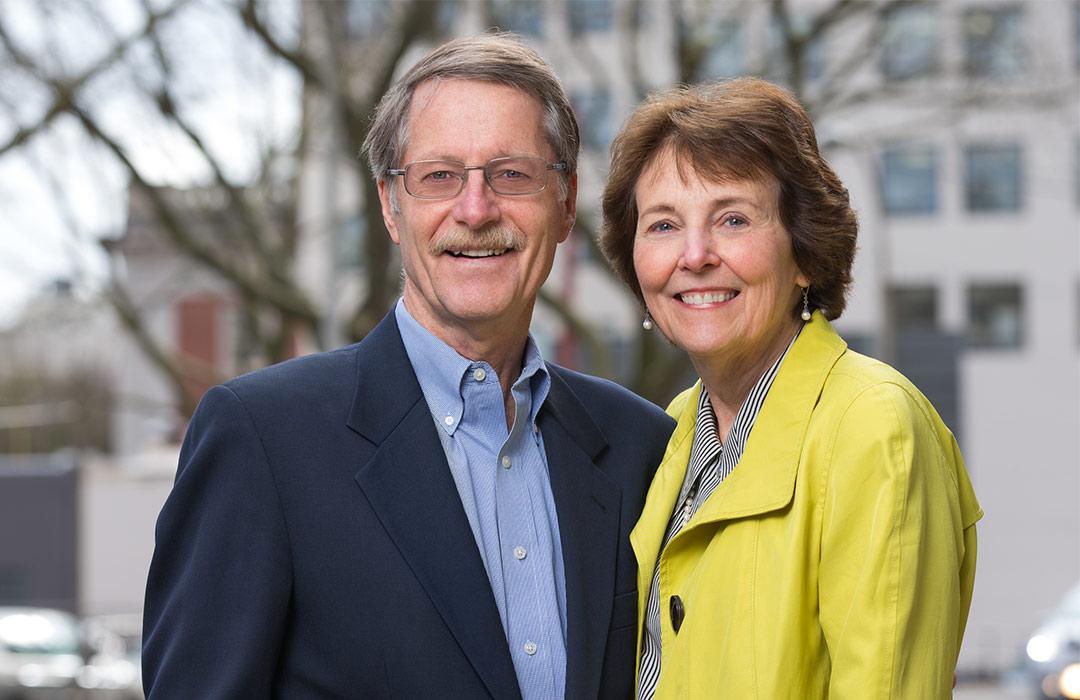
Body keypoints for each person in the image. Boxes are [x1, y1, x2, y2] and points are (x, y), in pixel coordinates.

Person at [141, 34, 674, 699]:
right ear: (392, 206)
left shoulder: (641, 446)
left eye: (511, 174)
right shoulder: (263, 440)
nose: (475, 210)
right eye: (438, 176)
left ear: (565, 204)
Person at [600, 78, 983, 699]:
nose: (694, 255)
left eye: (733, 219)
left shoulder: (871, 425)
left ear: (804, 253)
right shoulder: (678, 432)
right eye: (664, 225)